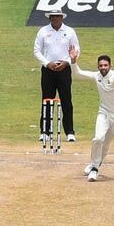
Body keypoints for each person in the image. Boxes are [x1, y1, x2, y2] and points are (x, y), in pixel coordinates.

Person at [68, 48, 114, 181]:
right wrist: (73, 61)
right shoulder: (96, 76)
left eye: (105, 65)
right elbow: (78, 74)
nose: (103, 67)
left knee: (106, 143)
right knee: (98, 139)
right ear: (98, 66)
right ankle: (95, 169)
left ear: (110, 66)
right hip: (103, 112)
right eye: (101, 65)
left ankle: (94, 164)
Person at [33, 9, 80, 142]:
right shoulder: (43, 31)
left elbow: (76, 50)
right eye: (53, 17)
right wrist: (48, 63)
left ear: (61, 17)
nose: (55, 19)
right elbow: (37, 51)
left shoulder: (70, 31)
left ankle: (70, 132)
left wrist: (67, 62)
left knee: (66, 100)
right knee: (47, 100)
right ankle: (45, 132)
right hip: (48, 69)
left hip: (64, 69)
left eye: (57, 16)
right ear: (50, 18)